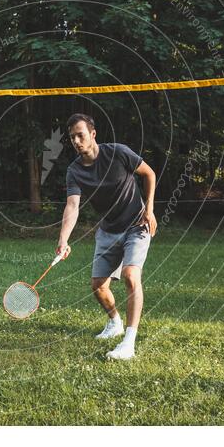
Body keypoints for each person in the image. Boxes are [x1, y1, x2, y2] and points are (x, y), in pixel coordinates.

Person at [56, 113, 157, 360]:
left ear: (93, 134)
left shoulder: (118, 152)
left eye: (80, 135)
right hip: (108, 230)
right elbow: (72, 205)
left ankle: (128, 343)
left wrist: (149, 208)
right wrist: (63, 240)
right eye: (72, 137)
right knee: (98, 286)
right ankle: (115, 323)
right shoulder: (75, 171)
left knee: (131, 276)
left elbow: (149, 174)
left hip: (136, 224)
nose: (76, 141)